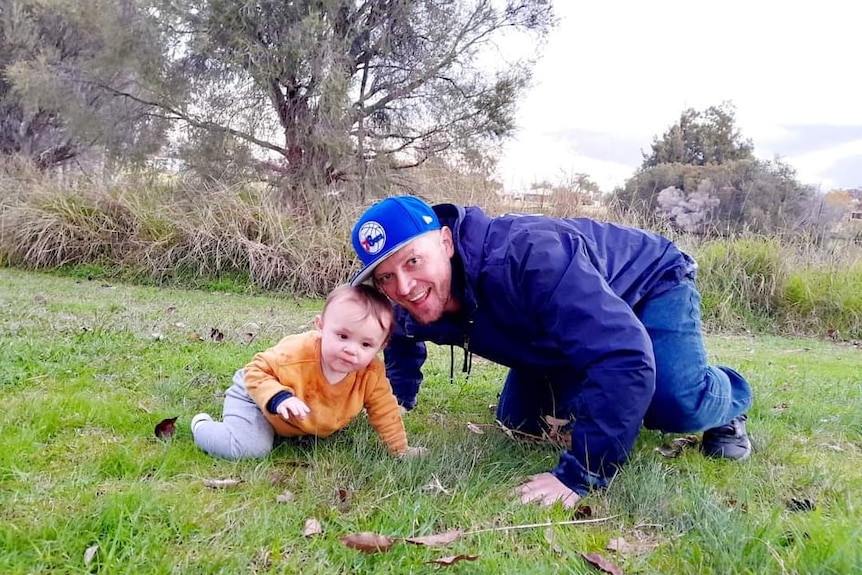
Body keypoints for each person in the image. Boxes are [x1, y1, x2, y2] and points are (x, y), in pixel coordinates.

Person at [350, 195, 753, 508]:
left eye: (413, 261)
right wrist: (401, 397)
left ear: (445, 242)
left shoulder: (530, 258)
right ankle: (594, 381)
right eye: (386, 277)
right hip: (560, 329)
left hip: (647, 283)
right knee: (520, 421)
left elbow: (622, 355)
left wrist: (580, 475)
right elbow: (400, 333)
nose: (404, 287)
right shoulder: (414, 300)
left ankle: (727, 397)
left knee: (671, 403)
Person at [191, 284, 422, 460]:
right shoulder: (298, 355)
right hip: (256, 394)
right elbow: (256, 371)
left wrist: (400, 450)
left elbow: (385, 411)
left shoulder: (370, 374)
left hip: (294, 418)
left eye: (366, 345)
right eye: (342, 336)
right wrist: (278, 397)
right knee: (251, 448)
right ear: (321, 326)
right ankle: (201, 426)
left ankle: (291, 428)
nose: (351, 350)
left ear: (381, 346)